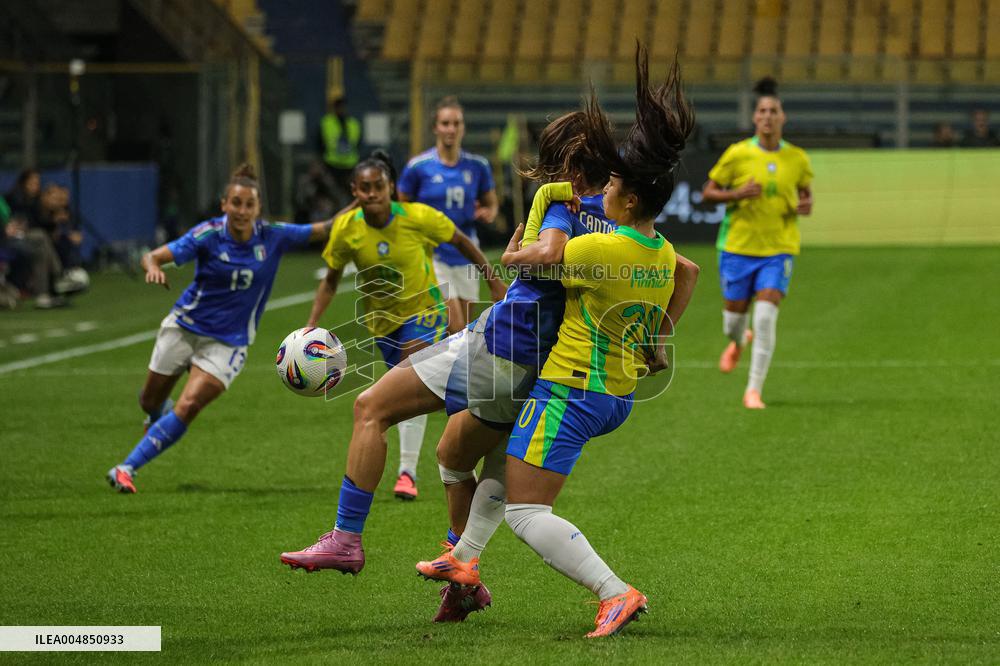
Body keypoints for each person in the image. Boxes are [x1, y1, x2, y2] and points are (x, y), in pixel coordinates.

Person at [495, 46, 696, 638]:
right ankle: (464, 556)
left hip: (572, 389)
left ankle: (614, 592)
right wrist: (660, 336)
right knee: (505, 463)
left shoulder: (595, 251)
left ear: (630, 200)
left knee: (525, 509)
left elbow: (526, 262)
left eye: (611, 186)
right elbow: (692, 274)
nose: (603, 192)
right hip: (618, 394)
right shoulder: (659, 253)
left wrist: (522, 237)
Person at [106, 164, 333, 493]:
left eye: (249, 205)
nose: (242, 211)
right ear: (224, 204)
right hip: (184, 328)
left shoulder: (273, 235)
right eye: (236, 203)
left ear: (257, 209)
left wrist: (359, 209)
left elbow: (323, 228)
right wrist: (153, 267)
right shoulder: (208, 234)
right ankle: (157, 421)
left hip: (228, 343)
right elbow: (154, 256)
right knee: (149, 400)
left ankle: (127, 468)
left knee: (189, 405)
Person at [299, 150, 507, 502]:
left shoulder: (418, 217)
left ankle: (407, 472)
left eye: (378, 186)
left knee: (409, 372)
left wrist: (493, 281)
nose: (372, 193)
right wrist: (311, 324)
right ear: (354, 190)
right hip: (382, 322)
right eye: (364, 188)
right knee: (414, 392)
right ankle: (466, 430)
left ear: (390, 187)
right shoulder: (346, 230)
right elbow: (331, 280)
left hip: (425, 312)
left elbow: (461, 240)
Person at [702, 76, 814, 409]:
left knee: (765, 317)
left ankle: (753, 390)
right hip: (737, 247)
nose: (767, 116)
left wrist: (804, 206)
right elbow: (707, 192)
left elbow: (806, 196)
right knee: (732, 323)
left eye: (773, 111)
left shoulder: (797, 159)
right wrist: (737, 193)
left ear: (783, 118)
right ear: (755, 118)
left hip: (778, 249)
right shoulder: (737, 154)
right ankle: (738, 341)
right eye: (762, 111)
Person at [398, 96, 499, 337]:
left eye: (456, 123)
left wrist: (489, 213)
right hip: (434, 254)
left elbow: (491, 202)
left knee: (460, 330)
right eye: (445, 123)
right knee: (455, 328)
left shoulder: (478, 166)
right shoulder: (418, 167)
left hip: (466, 252)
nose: (451, 129)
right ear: (435, 127)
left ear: (463, 127)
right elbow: (401, 206)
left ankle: (447, 373)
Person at [320, 94, 362, 208]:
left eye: (343, 106)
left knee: (350, 195)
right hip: (331, 165)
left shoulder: (353, 124)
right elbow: (320, 143)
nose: (341, 109)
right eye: (339, 107)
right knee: (332, 194)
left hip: (350, 165)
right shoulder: (326, 123)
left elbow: (358, 143)